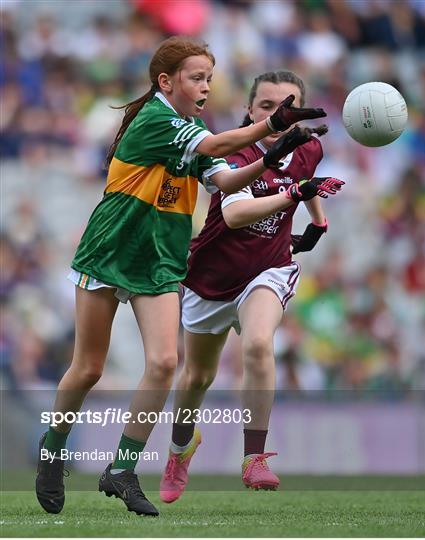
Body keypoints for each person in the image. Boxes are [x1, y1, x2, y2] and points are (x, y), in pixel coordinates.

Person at [35, 38, 329, 517]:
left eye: (209, 78)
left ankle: (123, 470)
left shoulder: (191, 127)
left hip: (160, 259)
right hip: (111, 251)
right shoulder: (156, 120)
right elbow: (215, 147)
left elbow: (224, 179)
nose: (205, 86)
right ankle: (52, 451)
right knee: (88, 367)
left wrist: (271, 159)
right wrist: (272, 125)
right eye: (196, 77)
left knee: (165, 363)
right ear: (166, 82)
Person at [159, 71, 344, 503]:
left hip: (269, 266)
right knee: (197, 375)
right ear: (250, 111)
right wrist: (298, 195)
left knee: (259, 344)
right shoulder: (230, 149)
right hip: (212, 275)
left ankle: (254, 457)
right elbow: (238, 215)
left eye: (287, 105)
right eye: (266, 106)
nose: (277, 113)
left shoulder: (309, 145)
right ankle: (179, 449)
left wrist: (318, 221)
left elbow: (307, 175)